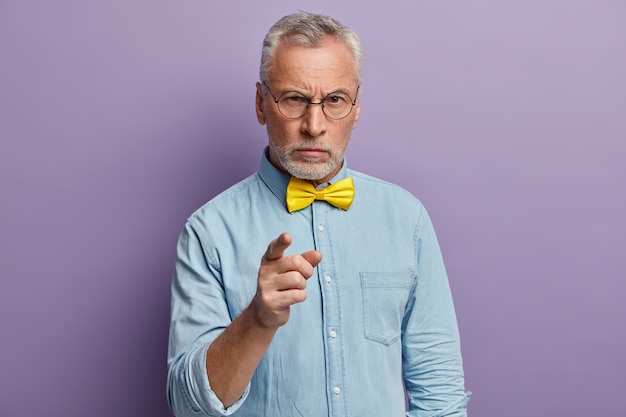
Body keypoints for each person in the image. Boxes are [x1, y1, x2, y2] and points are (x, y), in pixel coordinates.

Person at [167, 11, 470, 417]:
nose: (314, 125)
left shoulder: (406, 219)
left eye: (334, 101)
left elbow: (440, 391)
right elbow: (190, 408)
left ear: (357, 107)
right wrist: (257, 320)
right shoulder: (208, 232)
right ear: (261, 103)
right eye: (294, 99)